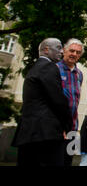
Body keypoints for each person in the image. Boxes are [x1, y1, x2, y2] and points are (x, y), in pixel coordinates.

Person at [11, 38, 72, 166]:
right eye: (58, 48)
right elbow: (57, 99)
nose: (62, 51)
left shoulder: (35, 68)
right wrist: (67, 124)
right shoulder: (48, 67)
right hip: (45, 134)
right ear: (46, 50)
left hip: (29, 133)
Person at [57, 38, 84, 166]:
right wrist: (58, 126)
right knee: (56, 160)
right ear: (64, 50)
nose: (74, 54)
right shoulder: (55, 69)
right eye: (71, 50)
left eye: (78, 52)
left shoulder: (79, 74)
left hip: (73, 128)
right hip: (58, 128)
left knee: (68, 161)